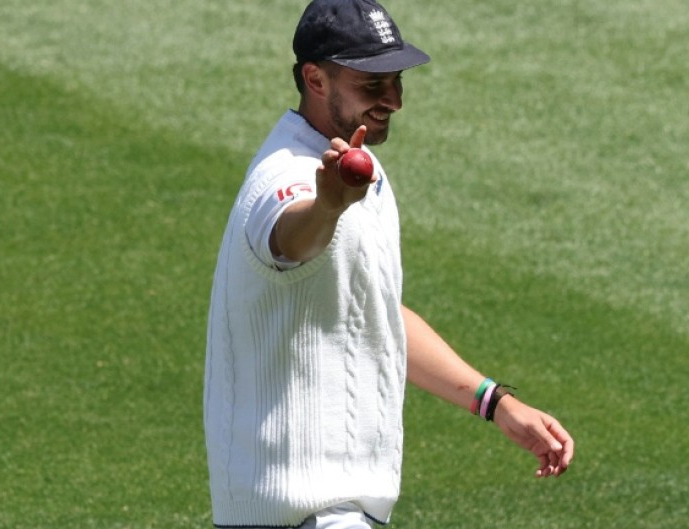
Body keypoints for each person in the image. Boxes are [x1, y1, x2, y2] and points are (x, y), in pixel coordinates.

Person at [203, 0, 574, 527]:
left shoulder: (361, 173)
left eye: (396, 81)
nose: (394, 100)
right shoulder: (286, 175)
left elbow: (371, 310)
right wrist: (328, 204)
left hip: (334, 510)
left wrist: (494, 402)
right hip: (307, 512)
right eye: (372, 85)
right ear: (315, 79)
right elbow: (291, 238)